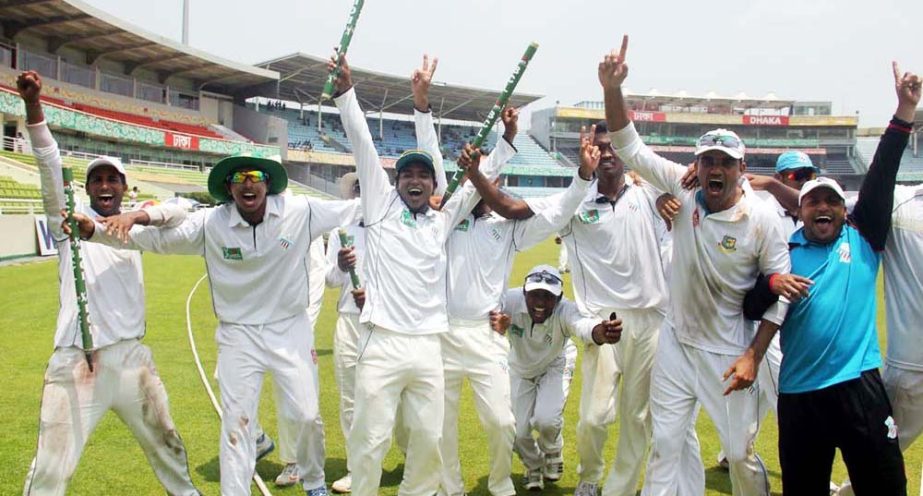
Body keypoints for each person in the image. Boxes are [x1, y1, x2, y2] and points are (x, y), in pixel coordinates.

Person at [74, 150, 360, 495]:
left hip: (290, 328)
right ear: (228, 187)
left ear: (268, 183)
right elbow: (156, 240)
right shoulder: (212, 223)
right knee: (237, 427)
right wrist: (93, 230)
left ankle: (314, 483)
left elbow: (358, 208)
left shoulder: (300, 211)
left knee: (306, 416)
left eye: (255, 175)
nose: (248, 184)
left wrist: (423, 204)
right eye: (239, 178)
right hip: (238, 335)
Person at [599, 36, 801, 496]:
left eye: (724, 163)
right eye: (707, 160)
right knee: (667, 443)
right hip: (675, 341)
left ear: (740, 168)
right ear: (695, 164)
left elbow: (779, 296)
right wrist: (613, 90)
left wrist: (753, 355)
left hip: (727, 351)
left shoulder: (763, 218)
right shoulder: (684, 187)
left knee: (739, 451)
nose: (715, 169)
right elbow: (630, 148)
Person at [331, 53, 510, 496]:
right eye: (406, 174)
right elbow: (362, 142)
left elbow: (480, 180)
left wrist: (507, 141)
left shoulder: (443, 218)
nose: (414, 180)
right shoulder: (379, 207)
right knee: (370, 441)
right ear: (395, 184)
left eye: (423, 175)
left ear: (434, 185)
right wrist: (345, 91)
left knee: (429, 442)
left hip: (430, 346)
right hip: (383, 341)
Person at [16, 70, 199, 496]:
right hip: (80, 361)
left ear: (123, 188)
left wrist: (136, 216)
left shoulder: (135, 226)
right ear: (86, 190)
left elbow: (183, 209)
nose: (104, 185)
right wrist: (34, 106)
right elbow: (48, 163)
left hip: (133, 358)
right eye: (96, 179)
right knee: (51, 468)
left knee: (167, 444)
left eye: (111, 179)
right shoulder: (66, 222)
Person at [742, 62, 919, 494]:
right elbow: (748, 306)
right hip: (801, 396)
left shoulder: (863, 239)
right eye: (812, 202)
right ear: (798, 211)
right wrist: (771, 285)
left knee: (885, 487)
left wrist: (904, 111)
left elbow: (882, 172)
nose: (823, 208)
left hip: (860, 387)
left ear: (845, 210)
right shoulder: (782, 253)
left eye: (832, 202)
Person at [438, 119, 598, 496]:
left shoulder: (507, 228)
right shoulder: (445, 218)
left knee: (502, 421)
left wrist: (582, 177)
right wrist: (501, 143)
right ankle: (451, 488)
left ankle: (500, 482)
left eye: (489, 185)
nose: (483, 190)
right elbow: (465, 179)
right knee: (440, 424)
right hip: (441, 332)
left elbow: (558, 214)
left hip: (486, 332)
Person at [492, 265, 622, 492]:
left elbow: (582, 325)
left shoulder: (565, 309)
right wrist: (496, 327)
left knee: (546, 420)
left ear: (559, 297)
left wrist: (600, 333)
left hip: (555, 364)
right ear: (524, 293)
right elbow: (485, 314)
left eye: (548, 296)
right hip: (520, 368)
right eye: (534, 295)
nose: (540, 303)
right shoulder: (509, 301)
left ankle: (553, 449)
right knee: (517, 430)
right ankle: (534, 465)